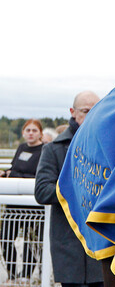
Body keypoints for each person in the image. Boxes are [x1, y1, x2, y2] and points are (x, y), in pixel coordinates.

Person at [35, 91, 104, 287]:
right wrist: (82, 188)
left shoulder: (108, 146)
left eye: (96, 110)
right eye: (85, 111)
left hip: (102, 245)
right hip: (68, 246)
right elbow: (42, 191)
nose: (91, 116)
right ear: (73, 112)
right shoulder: (53, 149)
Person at [1, 119, 45, 281]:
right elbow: (14, 168)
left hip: (33, 205)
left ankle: (27, 273)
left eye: (34, 130)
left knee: (30, 240)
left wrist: (13, 175)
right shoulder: (21, 148)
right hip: (14, 204)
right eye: (28, 130)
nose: (31, 133)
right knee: (5, 236)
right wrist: (6, 172)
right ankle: (12, 273)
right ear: (23, 133)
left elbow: (38, 175)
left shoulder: (44, 150)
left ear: (40, 133)